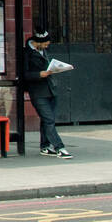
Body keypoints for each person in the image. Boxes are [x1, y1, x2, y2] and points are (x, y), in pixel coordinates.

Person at [22, 27, 72, 158]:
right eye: (45, 43)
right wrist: (39, 74)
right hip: (38, 92)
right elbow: (23, 74)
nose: (47, 46)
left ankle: (44, 146)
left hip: (50, 89)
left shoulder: (43, 50)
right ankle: (59, 147)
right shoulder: (26, 53)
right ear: (37, 42)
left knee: (47, 120)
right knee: (49, 120)